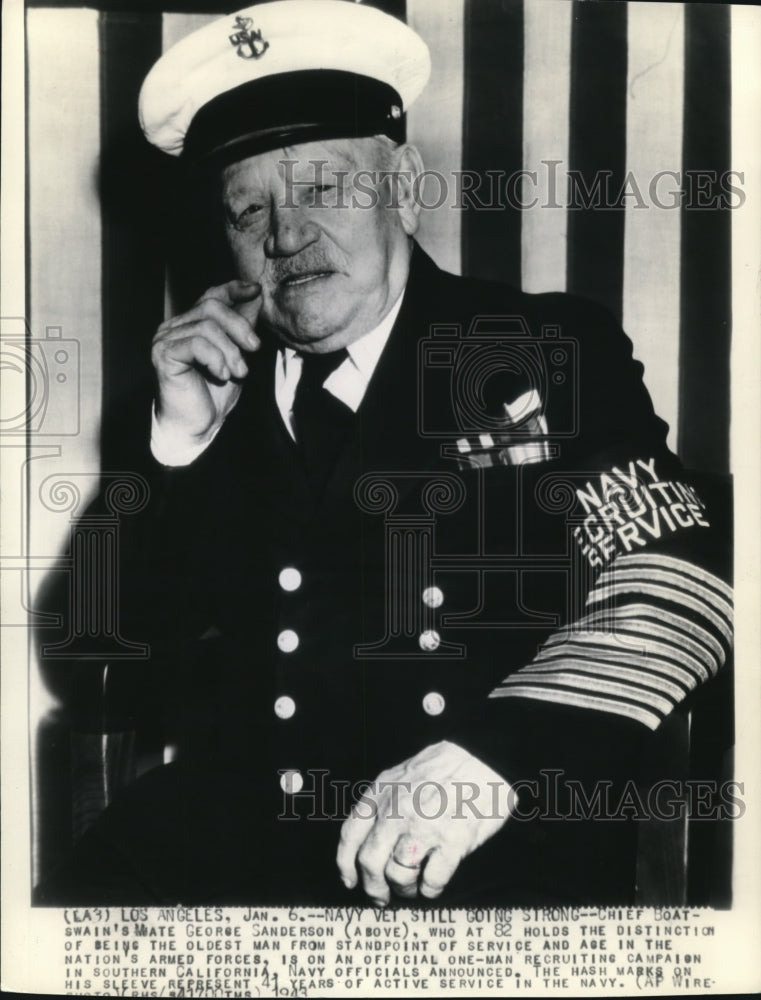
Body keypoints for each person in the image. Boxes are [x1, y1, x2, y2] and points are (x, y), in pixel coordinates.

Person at [36, 0, 732, 907]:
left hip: (476, 843)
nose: (285, 237)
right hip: (236, 852)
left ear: (399, 181)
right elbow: (94, 666)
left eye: (323, 189)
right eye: (249, 210)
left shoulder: (525, 349)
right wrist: (173, 450)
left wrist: (500, 755)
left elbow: (676, 575)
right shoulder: (205, 395)